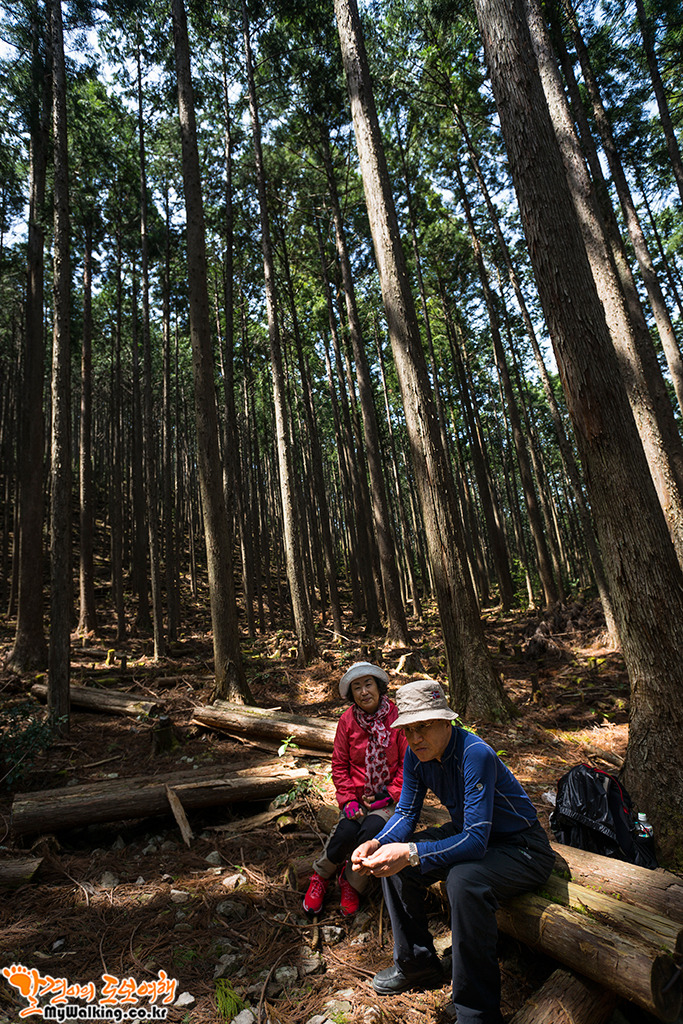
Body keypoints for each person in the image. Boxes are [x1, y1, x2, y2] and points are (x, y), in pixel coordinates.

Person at [352, 679, 555, 1024]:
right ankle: (417, 965)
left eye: (424, 726)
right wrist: (378, 843)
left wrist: (410, 852)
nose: (415, 738)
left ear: (447, 722)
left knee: (463, 881)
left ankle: (478, 1013)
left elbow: (475, 841)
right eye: (408, 729)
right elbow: (405, 813)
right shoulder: (416, 756)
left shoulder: (475, 753)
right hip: (471, 832)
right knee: (396, 864)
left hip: (522, 848)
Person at [303, 661, 408, 918]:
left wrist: (389, 794)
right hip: (357, 798)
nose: (364, 692)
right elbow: (339, 764)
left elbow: (408, 764)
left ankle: (350, 882)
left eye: (368, 684)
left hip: (388, 799)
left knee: (370, 832)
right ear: (352, 694)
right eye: (357, 687)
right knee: (346, 831)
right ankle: (321, 876)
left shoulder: (396, 717)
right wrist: (348, 799)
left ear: (379, 687)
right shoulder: (347, 721)